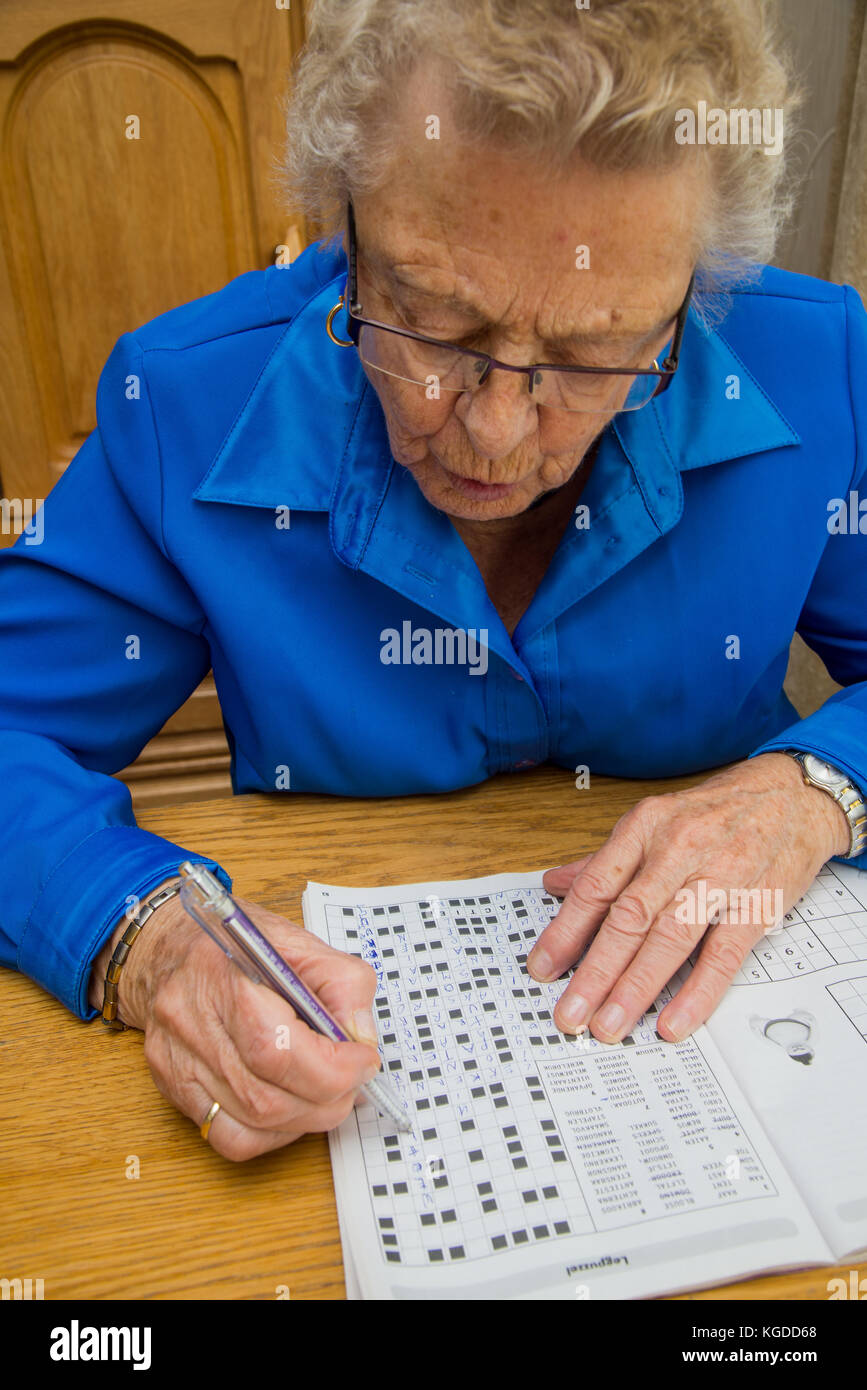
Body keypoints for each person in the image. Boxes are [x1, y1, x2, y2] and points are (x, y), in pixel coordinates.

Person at [1, 0, 865, 1161]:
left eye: (595, 351)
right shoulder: (186, 401)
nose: (500, 434)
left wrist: (813, 789)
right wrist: (149, 939)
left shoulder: (821, 364)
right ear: (340, 210)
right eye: (432, 317)